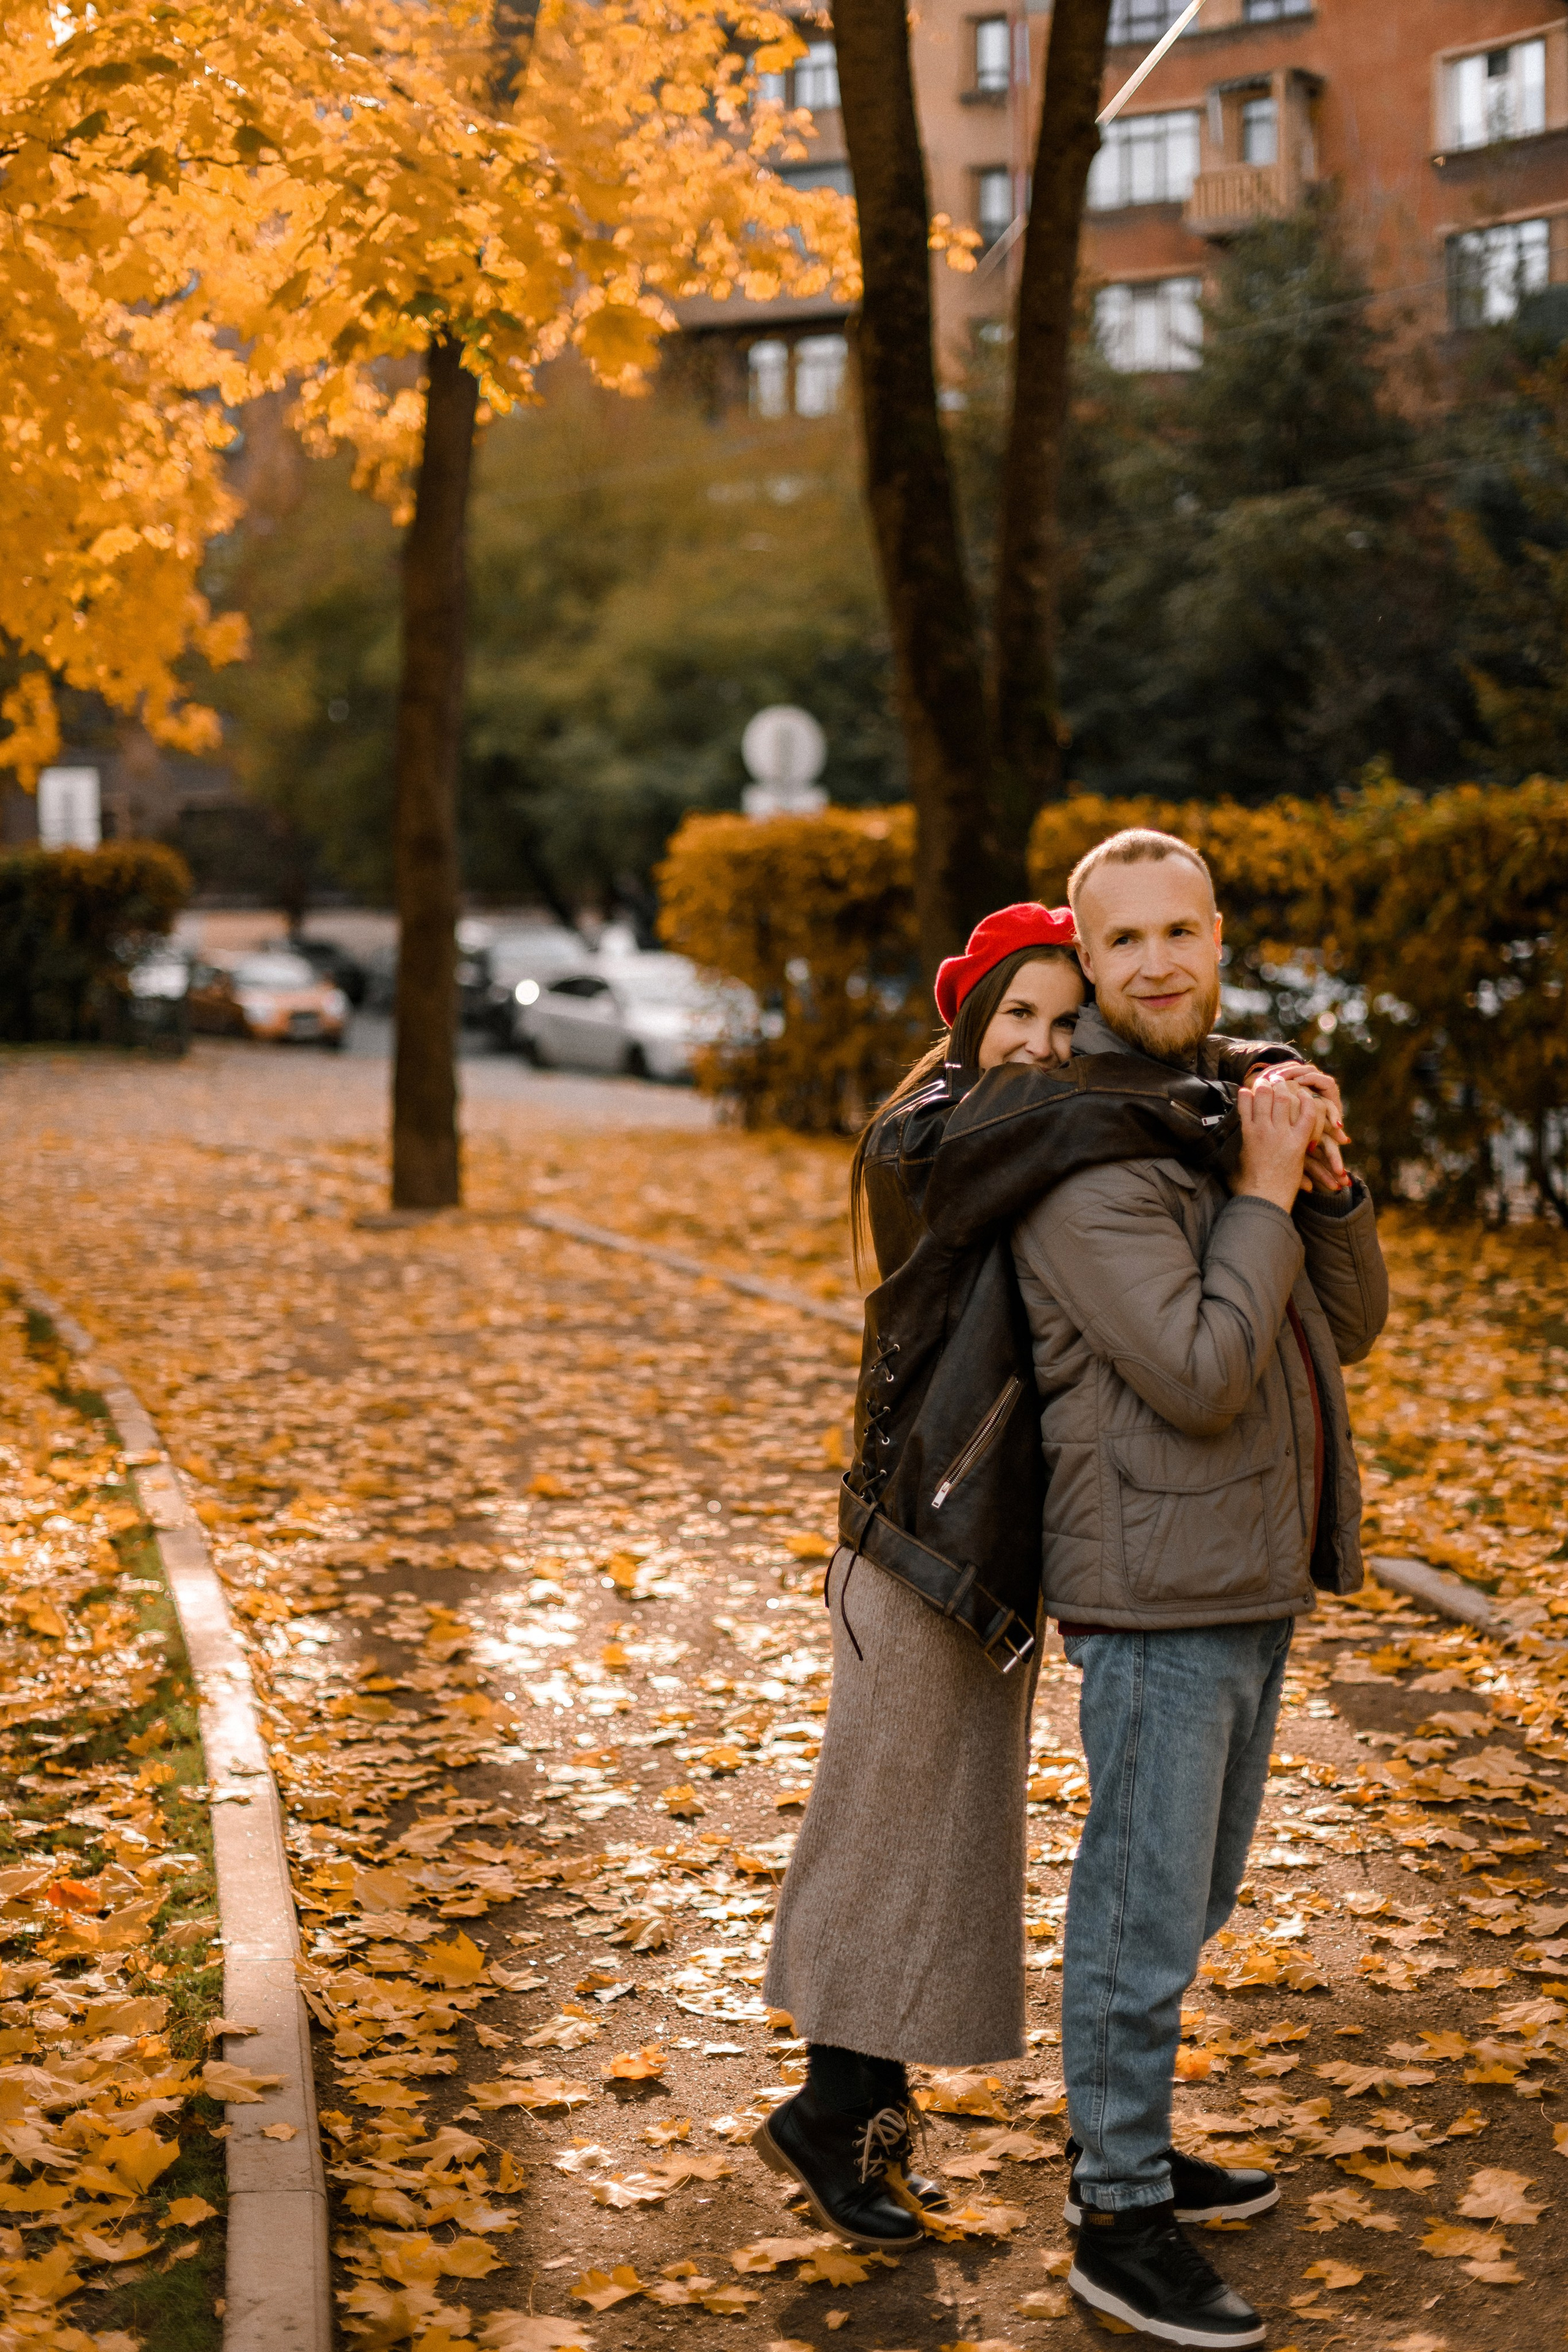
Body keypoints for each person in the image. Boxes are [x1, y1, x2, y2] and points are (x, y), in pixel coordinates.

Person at [756, 902, 1311, 2253]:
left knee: (932, 1835)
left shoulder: (1030, 1120)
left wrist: (1226, 1081)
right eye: (1020, 1015)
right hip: (921, 1537)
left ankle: (905, 2117)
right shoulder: (936, 1130)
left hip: (986, 1535)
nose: (1046, 1047)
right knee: (895, 1827)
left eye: (1069, 1023)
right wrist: (1210, 1108)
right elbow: (1072, 1121)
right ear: (967, 1020)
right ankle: (836, 2113)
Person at [1011, 829, 1388, 2350]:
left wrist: (1323, 1181)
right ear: (1086, 961)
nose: (1159, 960)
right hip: (1155, 1578)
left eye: (1184, 931)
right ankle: (1114, 2213)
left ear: (1218, 936)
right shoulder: (1077, 1147)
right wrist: (1259, 1180)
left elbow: (1343, 1325)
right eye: (1124, 942)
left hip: (1242, 1569)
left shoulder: (1212, 1101)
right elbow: (1198, 1373)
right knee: (1138, 1912)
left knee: (1193, 1893)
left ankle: (1130, 2131)